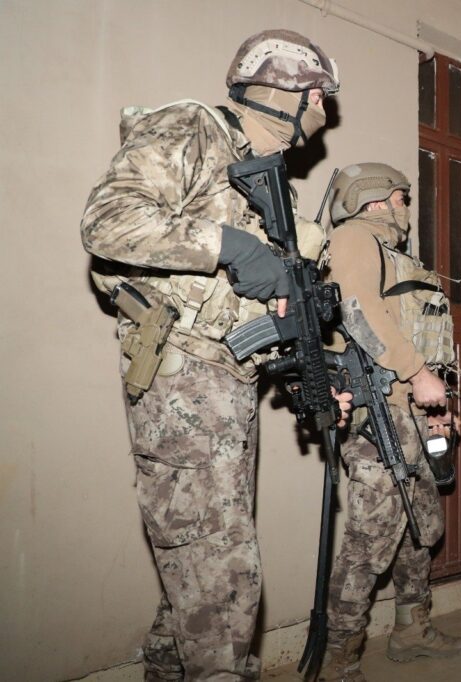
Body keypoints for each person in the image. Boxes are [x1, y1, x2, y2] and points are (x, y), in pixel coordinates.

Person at [80, 29, 349, 680]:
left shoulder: (271, 192)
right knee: (225, 579)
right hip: (183, 384)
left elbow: (254, 310)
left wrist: (311, 369)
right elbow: (106, 222)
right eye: (321, 97)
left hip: (230, 387)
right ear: (296, 91)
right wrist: (228, 244)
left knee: (198, 575)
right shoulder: (193, 127)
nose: (323, 111)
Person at [320, 163, 461, 682]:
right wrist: (417, 373)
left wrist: (438, 404)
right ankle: (341, 659)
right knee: (370, 541)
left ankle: (411, 631)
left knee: (420, 530)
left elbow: (420, 335)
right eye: (403, 196)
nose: (408, 207)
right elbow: (357, 312)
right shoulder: (354, 238)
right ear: (378, 199)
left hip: (412, 414)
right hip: (375, 418)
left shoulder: (397, 257)